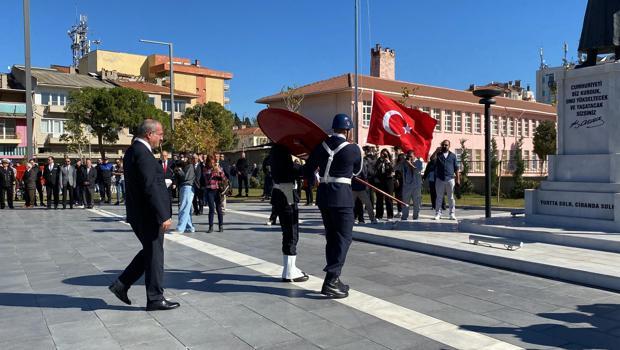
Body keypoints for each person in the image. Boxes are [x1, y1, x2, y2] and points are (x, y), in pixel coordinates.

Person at [108, 119, 179, 311]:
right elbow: (149, 186)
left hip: (140, 213)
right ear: (149, 134)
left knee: (150, 252)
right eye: (160, 134)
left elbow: (146, 183)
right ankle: (155, 298)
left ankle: (121, 284)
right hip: (148, 215)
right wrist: (163, 214)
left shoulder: (133, 151)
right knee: (155, 255)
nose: (161, 137)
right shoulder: (143, 153)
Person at [305, 113, 362, 299]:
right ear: (347, 130)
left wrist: (315, 177)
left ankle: (333, 278)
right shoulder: (353, 149)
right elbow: (357, 171)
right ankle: (331, 279)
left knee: (331, 237)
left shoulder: (321, 146)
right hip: (342, 197)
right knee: (344, 238)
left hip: (324, 196)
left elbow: (308, 168)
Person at [268, 144, 309, 282]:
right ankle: (290, 271)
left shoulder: (274, 152)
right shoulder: (281, 152)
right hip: (286, 193)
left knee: (287, 232)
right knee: (292, 232)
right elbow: (296, 170)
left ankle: (288, 268)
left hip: (280, 193)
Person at [434, 140, 460, 220]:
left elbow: (456, 168)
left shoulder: (453, 156)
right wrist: (436, 151)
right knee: (439, 197)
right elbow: (431, 159)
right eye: (443, 145)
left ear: (449, 146)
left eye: (446, 145)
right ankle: (438, 213)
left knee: (451, 197)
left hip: (450, 179)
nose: (444, 146)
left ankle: (452, 214)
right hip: (440, 179)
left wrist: (458, 179)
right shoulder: (438, 154)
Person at [203, 155, 226, 233]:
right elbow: (207, 181)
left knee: (219, 209)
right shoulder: (206, 169)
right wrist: (213, 171)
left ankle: (221, 226)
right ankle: (211, 226)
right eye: (211, 162)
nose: (212, 163)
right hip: (210, 191)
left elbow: (223, 178)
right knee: (211, 209)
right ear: (208, 162)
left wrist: (219, 171)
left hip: (217, 190)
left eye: (213, 162)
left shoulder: (218, 167)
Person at [398, 150, 423, 220]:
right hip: (407, 186)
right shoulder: (404, 163)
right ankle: (404, 217)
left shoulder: (419, 162)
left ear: (414, 156)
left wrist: (409, 163)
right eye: (408, 156)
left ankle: (415, 217)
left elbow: (416, 170)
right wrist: (401, 161)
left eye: (411, 156)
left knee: (417, 202)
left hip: (416, 186)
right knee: (405, 202)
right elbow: (395, 168)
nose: (409, 158)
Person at [173, 157, 196, 233]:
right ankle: (189, 227)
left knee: (184, 207)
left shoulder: (190, 166)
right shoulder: (184, 166)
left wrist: (179, 171)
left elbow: (185, 177)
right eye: (181, 157)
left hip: (188, 187)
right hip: (183, 187)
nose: (182, 159)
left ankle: (180, 228)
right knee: (187, 208)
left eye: (184, 158)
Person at [423, 147, 445, 212]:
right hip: (432, 179)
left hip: (439, 178)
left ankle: (443, 206)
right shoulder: (430, 162)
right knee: (433, 192)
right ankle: (433, 205)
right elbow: (426, 170)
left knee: (440, 192)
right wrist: (424, 177)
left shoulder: (441, 159)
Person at [374, 149, 395, 220]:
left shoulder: (391, 161)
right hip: (380, 181)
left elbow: (393, 170)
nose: (383, 155)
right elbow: (375, 170)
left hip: (389, 181)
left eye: (385, 154)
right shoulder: (378, 161)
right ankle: (378, 215)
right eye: (382, 154)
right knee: (379, 199)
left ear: (388, 154)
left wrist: (388, 162)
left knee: (388, 198)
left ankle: (390, 215)